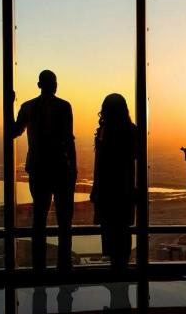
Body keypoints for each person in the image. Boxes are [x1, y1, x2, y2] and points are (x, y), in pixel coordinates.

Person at [12, 71, 77, 273]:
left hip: (38, 168)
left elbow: (14, 131)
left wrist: (9, 105)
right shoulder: (64, 106)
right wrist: (73, 168)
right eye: (54, 82)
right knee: (64, 220)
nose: (55, 85)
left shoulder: (28, 107)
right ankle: (64, 265)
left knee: (39, 219)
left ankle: (38, 267)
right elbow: (68, 140)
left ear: (39, 84)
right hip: (60, 169)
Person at [90, 93, 138, 271]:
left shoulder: (105, 131)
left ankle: (117, 270)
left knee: (111, 231)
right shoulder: (132, 131)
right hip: (124, 189)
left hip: (107, 189)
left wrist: (95, 188)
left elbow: (100, 163)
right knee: (123, 230)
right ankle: (121, 268)